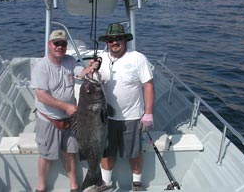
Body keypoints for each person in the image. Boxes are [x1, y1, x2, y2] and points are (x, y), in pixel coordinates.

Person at [30, 30, 98, 192]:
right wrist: (66, 107)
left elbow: (80, 73)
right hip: (49, 119)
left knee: (70, 153)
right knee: (46, 156)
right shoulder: (41, 67)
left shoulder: (69, 60)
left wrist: (89, 69)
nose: (60, 47)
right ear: (49, 45)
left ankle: (74, 186)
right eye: (56, 43)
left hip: (70, 120)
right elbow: (41, 96)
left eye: (63, 44)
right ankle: (41, 187)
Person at [98, 23, 154, 191]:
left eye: (118, 39)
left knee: (134, 153)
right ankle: (106, 183)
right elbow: (91, 78)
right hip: (105, 117)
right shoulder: (101, 58)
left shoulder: (137, 58)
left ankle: (136, 182)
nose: (114, 42)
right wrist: (90, 70)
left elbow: (149, 86)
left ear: (125, 40)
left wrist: (148, 113)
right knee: (106, 152)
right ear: (107, 42)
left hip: (132, 116)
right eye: (111, 39)